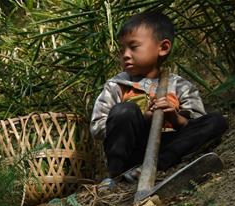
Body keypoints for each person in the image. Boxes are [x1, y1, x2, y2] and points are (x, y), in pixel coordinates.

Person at [91, 12, 227, 187]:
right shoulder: (116, 85)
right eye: (122, 49)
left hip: (168, 148)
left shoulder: (180, 86)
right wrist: (143, 118)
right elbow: (97, 127)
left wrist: (174, 118)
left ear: (163, 48)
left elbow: (196, 122)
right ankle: (117, 175)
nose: (125, 54)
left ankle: (155, 167)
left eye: (133, 47)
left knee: (216, 121)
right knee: (124, 111)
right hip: (132, 151)